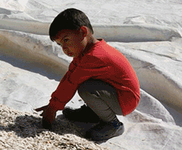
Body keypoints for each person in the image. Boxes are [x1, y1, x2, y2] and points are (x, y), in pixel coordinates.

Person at [35, 8, 140, 142]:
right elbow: (69, 76)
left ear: (83, 32)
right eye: (60, 44)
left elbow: (72, 82)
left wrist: (53, 108)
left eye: (66, 40)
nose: (64, 49)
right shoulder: (86, 52)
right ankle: (94, 113)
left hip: (125, 99)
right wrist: (53, 104)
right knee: (86, 85)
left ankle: (113, 124)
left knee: (86, 89)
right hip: (115, 91)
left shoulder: (94, 57)